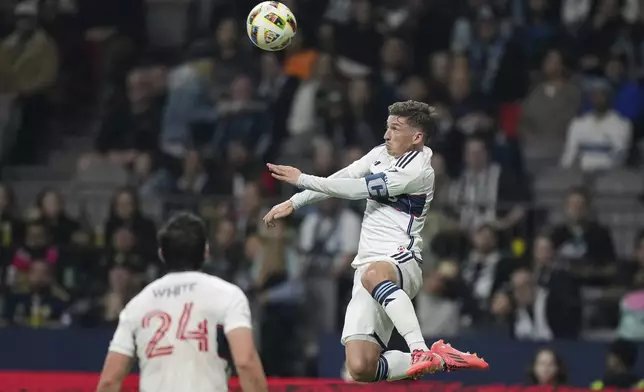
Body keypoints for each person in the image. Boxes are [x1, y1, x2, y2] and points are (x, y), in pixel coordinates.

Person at [263, 100, 489, 381]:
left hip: (400, 259)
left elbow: (356, 189)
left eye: (395, 128)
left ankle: (420, 349)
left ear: (416, 137)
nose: (386, 134)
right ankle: (441, 359)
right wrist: (295, 202)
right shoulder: (379, 154)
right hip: (368, 267)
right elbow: (341, 178)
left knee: (374, 274)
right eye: (386, 127)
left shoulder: (417, 171)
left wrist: (303, 178)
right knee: (360, 368)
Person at [96, 212, 267, 392]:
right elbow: (245, 362)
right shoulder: (228, 294)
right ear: (205, 252)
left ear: (161, 254)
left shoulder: (137, 305)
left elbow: (109, 381)